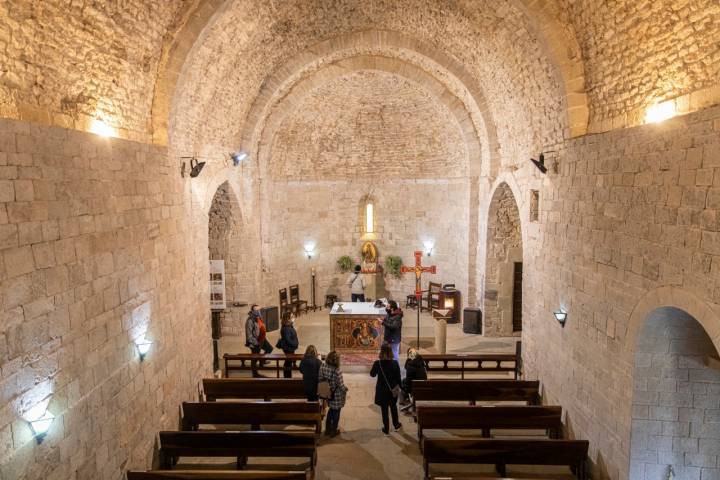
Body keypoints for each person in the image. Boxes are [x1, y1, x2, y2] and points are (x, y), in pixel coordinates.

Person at [370, 343, 402, 434]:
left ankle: (386, 429)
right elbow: (398, 378)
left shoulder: (378, 363)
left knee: (384, 410)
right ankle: (396, 425)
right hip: (392, 390)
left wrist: (375, 367)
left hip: (382, 390)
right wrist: (401, 388)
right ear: (390, 352)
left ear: (381, 352)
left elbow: (372, 375)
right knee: (393, 407)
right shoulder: (395, 363)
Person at [319, 350, 348, 437]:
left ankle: (327, 429)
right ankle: (333, 431)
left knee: (331, 410)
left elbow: (320, 378)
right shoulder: (337, 370)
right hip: (336, 395)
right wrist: (345, 389)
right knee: (336, 412)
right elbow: (341, 385)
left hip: (327, 393)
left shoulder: (323, 366)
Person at [245, 304, 273, 377]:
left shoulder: (259, 317)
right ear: (252, 311)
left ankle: (262, 361)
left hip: (262, 339)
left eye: (259, 310)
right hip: (255, 342)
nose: (258, 311)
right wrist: (256, 343)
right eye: (256, 310)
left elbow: (261, 326)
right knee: (254, 358)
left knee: (269, 348)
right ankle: (255, 374)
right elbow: (249, 336)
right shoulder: (250, 321)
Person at [399, 347, 427, 412]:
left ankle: (403, 404)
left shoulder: (410, 365)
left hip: (414, 389)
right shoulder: (422, 363)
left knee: (402, 384)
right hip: (424, 387)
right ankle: (405, 401)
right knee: (403, 381)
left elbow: (408, 383)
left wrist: (404, 387)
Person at [276, 312, 299, 378]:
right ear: (287, 319)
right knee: (288, 363)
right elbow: (288, 340)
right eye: (292, 317)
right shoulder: (286, 328)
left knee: (289, 362)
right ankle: (287, 377)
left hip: (290, 347)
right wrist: (295, 344)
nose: (293, 317)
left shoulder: (288, 325)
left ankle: (288, 376)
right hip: (288, 348)